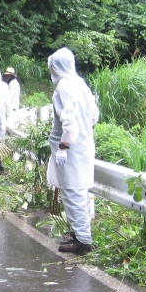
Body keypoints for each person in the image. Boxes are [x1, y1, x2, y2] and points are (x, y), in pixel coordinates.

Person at [46, 48, 99, 254]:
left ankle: (83, 240)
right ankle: (78, 232)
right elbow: (94, 115)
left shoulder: (64, 87)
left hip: (71, 149)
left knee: (72, 192)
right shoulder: (81, 84)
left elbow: (69, 121)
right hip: (84, 144)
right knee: (80, 190)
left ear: (56, 66)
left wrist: (64, 146)